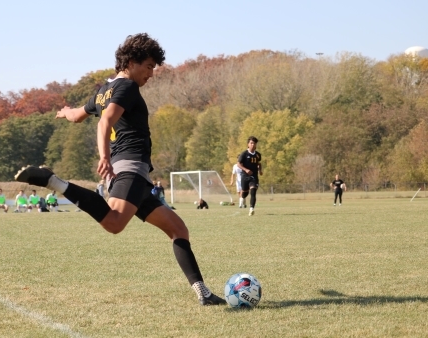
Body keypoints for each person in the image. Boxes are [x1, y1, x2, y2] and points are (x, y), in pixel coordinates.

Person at [14, 33, 225, 306]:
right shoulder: (127, 88)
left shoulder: (104, 90)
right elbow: (105, 123)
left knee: (178, 229)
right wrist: (104, 156)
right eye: (149, 66)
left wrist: (63, 111)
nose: (151, 74)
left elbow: (78, 115)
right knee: (114, 223)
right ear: (132, 62)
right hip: (130, 169)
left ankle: (203, 293)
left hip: (133, 175)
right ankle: (54, 182)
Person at [237, 136, 263, 216]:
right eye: (251, 143)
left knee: (253, 191)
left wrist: (260, 170)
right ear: (248, 144)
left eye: (254, 143)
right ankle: (242, 198)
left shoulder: (258, 155)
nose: (253, 145)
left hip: (254, 176)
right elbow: (238, 164)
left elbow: (259, 163)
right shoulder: (244, 154)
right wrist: (246, 169)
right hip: (245, 176)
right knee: (245, 192)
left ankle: (251, 209)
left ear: (256, 145)